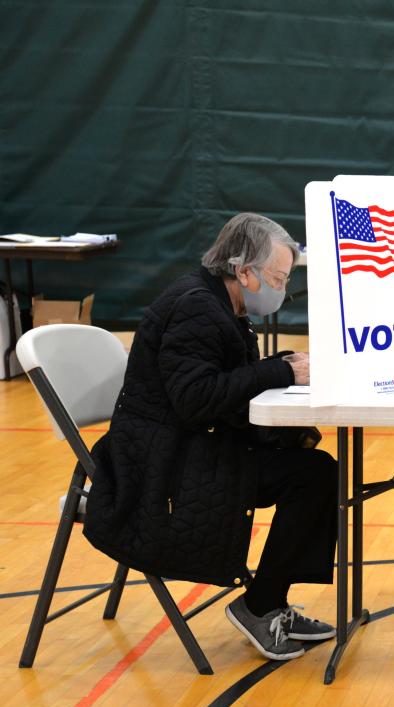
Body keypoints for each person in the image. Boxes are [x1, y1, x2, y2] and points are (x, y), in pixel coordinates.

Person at [83, 214, 336, 661]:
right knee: (314, 476)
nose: (281, 288)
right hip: (162, 468)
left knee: (314, 469)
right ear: (243, 271)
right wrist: (278, 370)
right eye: (277, 277)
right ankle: (261, 605)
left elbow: (220, 378)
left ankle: (269, 600)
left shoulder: (218, 303)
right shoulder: (196, 307)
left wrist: (278, 365)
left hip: (184, 448)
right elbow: (196, 399)